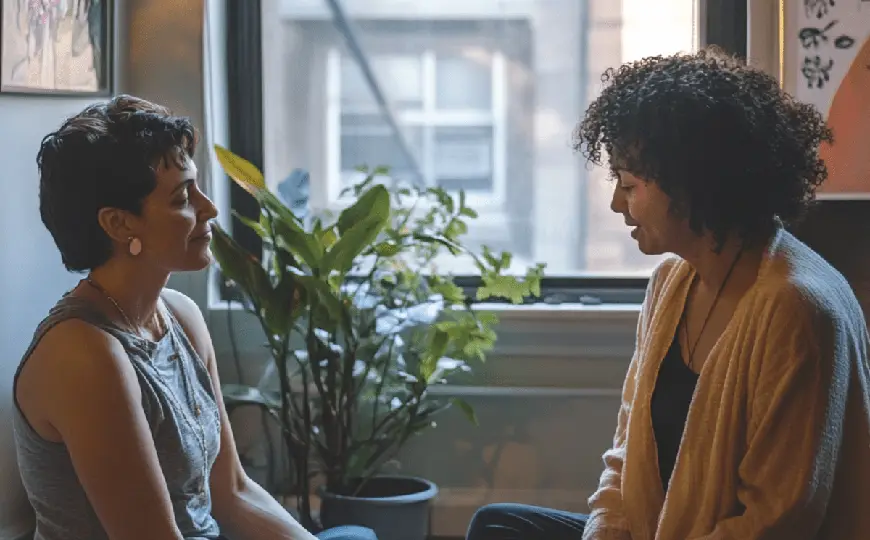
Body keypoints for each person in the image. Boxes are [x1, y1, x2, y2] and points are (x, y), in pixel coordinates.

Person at [467, 47, 870, 539]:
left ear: (693, 184)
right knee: (498, 526)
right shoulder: (671, 283)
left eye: (629, 184)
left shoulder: (797, 308)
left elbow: (777, 519)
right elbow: (625, 454)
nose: (616, 203)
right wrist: (603, 532)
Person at [12, 95, 377, 540]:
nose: (209, 208)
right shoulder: (85, 355)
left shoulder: (180, 316)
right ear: (119, 224)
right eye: (184, 196)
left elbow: (234, 493)